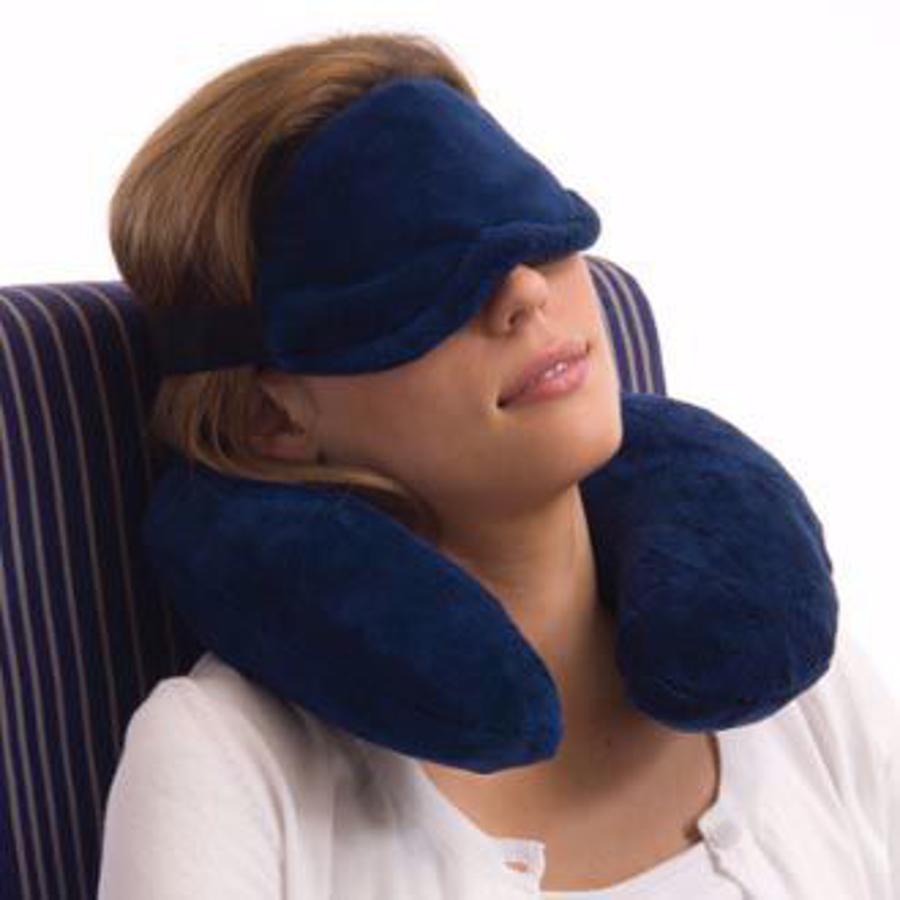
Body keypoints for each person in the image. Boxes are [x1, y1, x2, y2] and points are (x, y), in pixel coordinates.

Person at [97, 30, 899, 898]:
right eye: (421, 272)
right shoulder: (229, 765)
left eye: (525, 221)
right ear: (272, 416)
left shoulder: (805, 701)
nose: (523, 290)